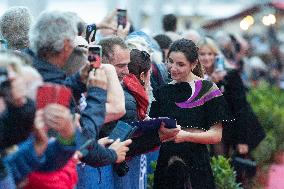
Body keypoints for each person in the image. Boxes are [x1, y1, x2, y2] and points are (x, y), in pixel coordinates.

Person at [150, 39, 233, 189]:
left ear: (193, 64)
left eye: (180, 64)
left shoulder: (207, 89)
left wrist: (187, 136)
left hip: (197, 166)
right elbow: (153, 131)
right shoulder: (161, 92)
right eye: (170, 62)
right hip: (167, 166)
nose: (173, 68)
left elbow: (216, 135)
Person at [198, 37, 265, 187]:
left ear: (216, 56)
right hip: (205, 131)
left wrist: (243, 140)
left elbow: (241, 109)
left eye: (210, 54)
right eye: (202, 54)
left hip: (231, 130)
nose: (206, 57)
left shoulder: (230, 75)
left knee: (227, 169)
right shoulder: (195, 79)